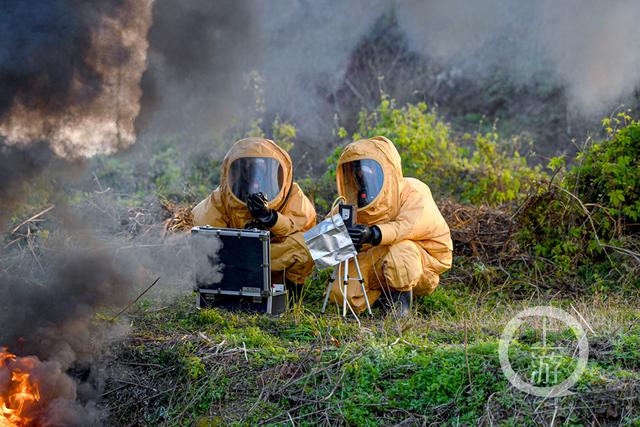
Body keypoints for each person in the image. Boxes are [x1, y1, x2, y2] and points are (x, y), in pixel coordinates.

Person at [330, 136, 453, 316]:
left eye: (368, 167)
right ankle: (383, 295)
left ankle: (400, 307)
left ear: (387, 170)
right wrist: (344, 240)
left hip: (423, 260)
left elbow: (408, 226)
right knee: (343, 295)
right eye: (357, 168)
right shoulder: (351, 202)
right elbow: (320, 246)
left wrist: (372, 234)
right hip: (378, 256)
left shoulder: (414, 190)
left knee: (401, 251)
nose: (362, 174)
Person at [192, 137, 317, 287]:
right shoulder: (220, 198)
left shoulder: (292, 194)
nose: (255, 175)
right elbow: (204, 236)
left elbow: (304, 228)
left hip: (271, 260)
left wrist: (271, 218)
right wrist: (242, 239)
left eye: (261, 167)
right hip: (233, 261)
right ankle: (220, 292)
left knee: (306, 246)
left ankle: (289, 294)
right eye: (248, 168)